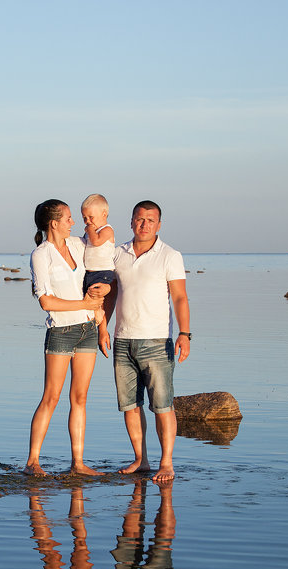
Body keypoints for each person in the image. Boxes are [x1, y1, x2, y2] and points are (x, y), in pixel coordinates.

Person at [104, 200, 191, 482]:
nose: (144, 225)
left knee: (162, 405)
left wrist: (184, 334)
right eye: (139, 220)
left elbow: (179, 296)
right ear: (131, 221)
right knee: (130, 405)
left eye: (150, 221)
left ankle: (166, 463)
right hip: (122, 340)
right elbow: (110, 295)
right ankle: (141, 460)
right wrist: (102, 328)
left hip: (157, 341)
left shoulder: (170, 255)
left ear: (159, 225)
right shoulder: (117, 254)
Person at [25, 199, 105, 476]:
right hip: (60, 332)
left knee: (80, 398)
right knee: (51, 397)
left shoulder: (77, 245)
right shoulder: (41, 254)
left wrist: (96, 220)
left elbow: (103, 250)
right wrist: (84, 304)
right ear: (54, 223)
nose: (74, 222)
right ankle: (33, 462)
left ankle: (78, 463)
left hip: (88, 330)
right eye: (69, 218)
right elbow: (46, 302)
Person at [80, 193, 117, 297]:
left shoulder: (107, 230)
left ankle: (99, 313)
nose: (87, 221)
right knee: (86, 298)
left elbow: (96, 242)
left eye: (91, 217)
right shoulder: (89, 233)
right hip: (89, 273)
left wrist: (90, 230)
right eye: (84, 218)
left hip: (102, 273)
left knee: (95, 299)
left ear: (104, 214)